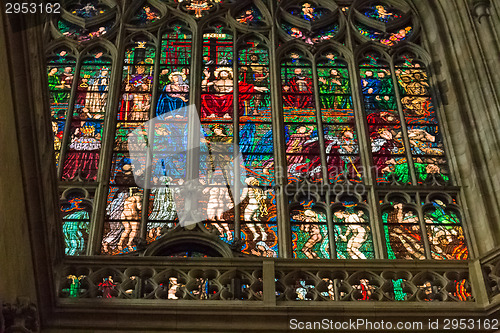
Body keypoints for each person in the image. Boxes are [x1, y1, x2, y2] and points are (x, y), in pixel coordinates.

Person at [201, 67, 268, 118]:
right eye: (221, 73)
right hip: (217, 98)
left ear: (229, 74)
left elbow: (245, 86)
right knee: (205, 96)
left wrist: (256, 87)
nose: (223, 74)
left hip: (228, 97)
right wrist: (206, 78)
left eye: (225, 73)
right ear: (219, 74)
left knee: (232, 96)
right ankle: (212, 113)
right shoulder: (215, 82)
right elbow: (203, 86)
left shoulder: (233, 82)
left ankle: (228, 113)